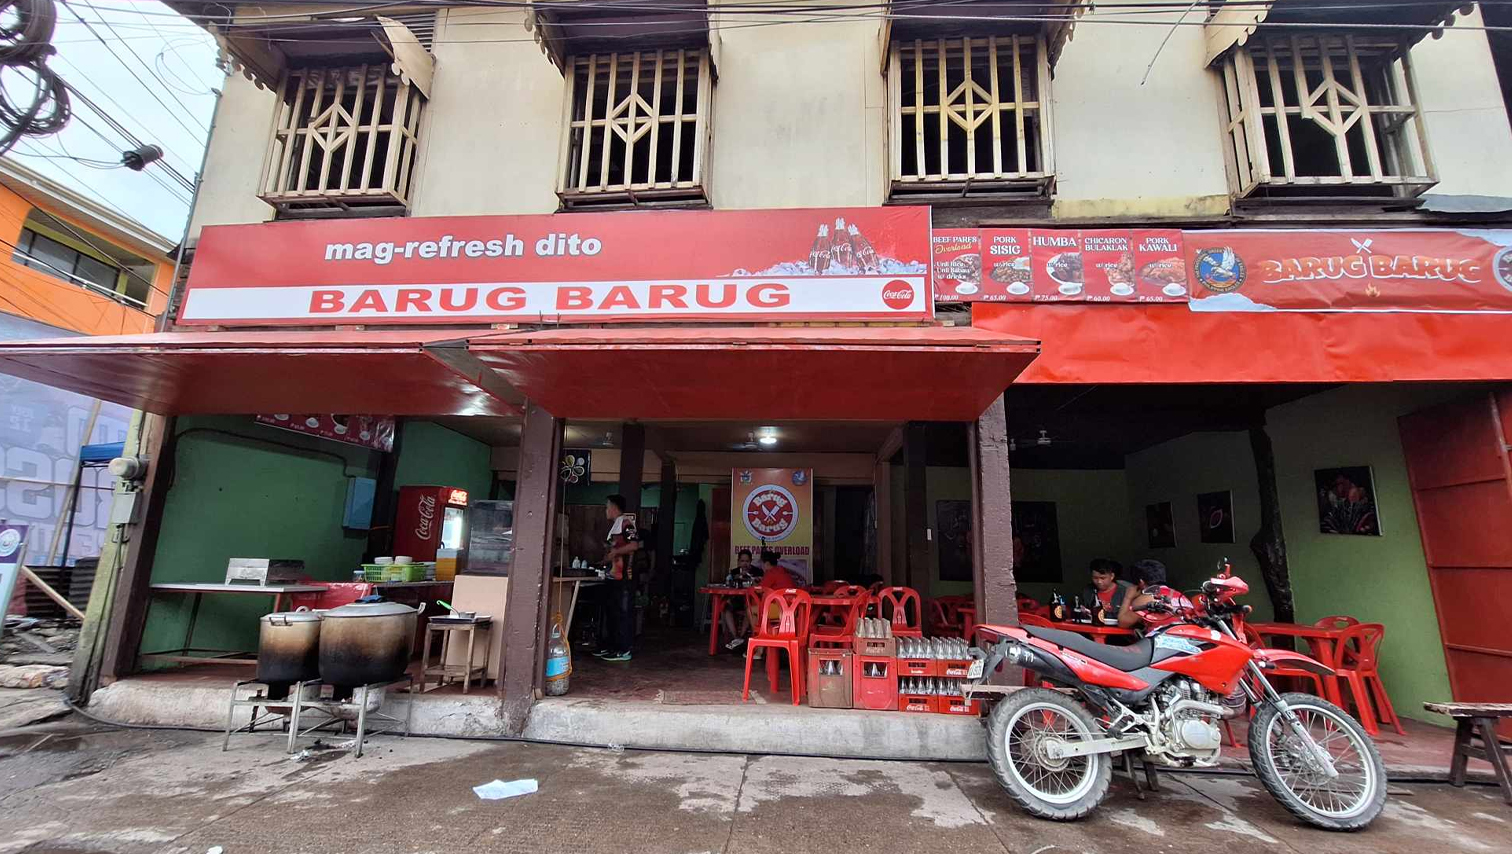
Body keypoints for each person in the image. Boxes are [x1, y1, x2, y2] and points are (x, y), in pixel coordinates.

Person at [594, 494, 640, 662]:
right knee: (612, 613)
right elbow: (614, 551)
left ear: (614, 507)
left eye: (607, 507)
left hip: (624, 578)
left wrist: (616, 552)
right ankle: (612, 647)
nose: (606, 510)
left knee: (623, 613)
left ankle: (624, 650)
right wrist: (605, 559)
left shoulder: (626, 523)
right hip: (613, 576)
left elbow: (634, 545)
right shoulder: (615, 526)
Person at [1117, 559, 1194, 630]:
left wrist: (1128, 597)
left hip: (1163, 640)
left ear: (1141, 582)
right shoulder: (1181, 596)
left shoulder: (1147, 597)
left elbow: (1123, 623)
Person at [720, 550, 756, 650]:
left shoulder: (757, 572)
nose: (745, 564)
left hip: (750, 600)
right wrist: (734, 578)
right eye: (742, 561)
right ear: (738, 561)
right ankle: (735, 636)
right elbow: (727, 585)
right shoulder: (733, 572)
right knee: (726, 608)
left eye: (747, 561)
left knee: (749, 608)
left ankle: (741, 636)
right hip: (737, 599)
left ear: (751, 561)